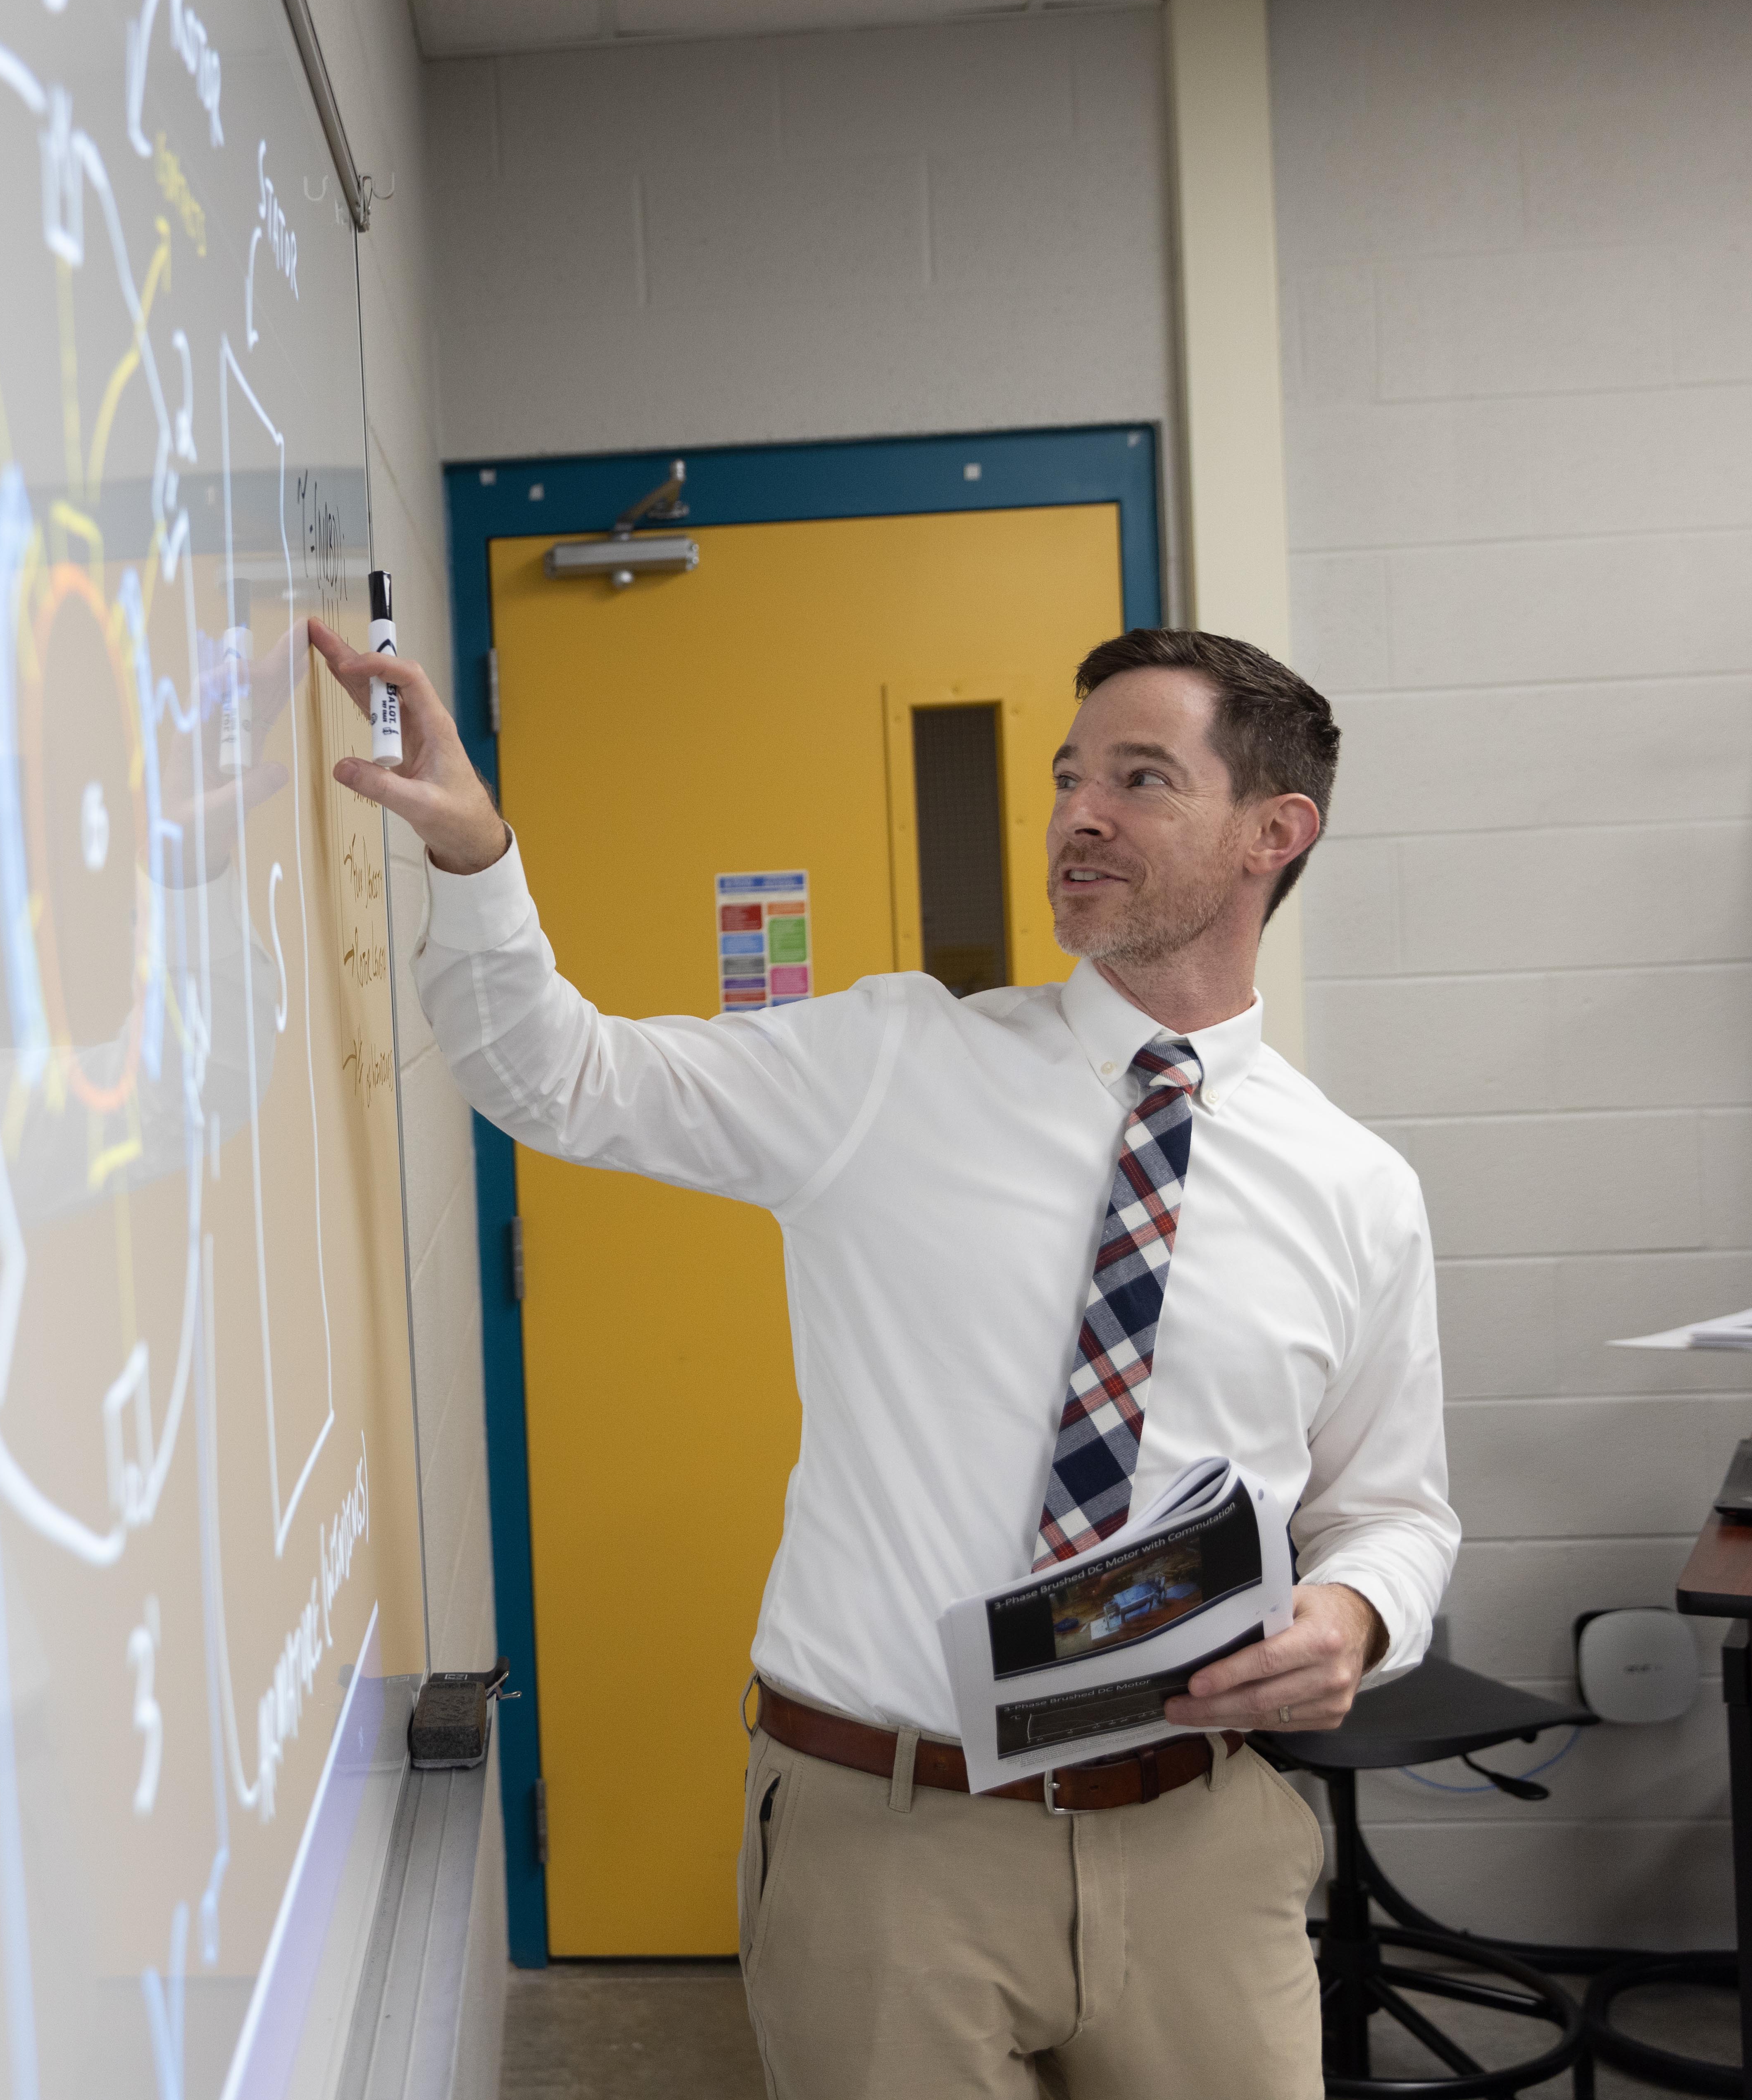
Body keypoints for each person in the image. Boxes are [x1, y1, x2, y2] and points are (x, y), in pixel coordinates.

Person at [307, 617, 1456, 2100]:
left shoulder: (1354, 1188)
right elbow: (559, 1078)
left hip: (1198, 1844)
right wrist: (476, 856)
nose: (1078, 815)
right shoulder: (894, 1065)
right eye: (1066, 776)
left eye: (1142, 778)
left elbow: (1396, 1509)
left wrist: (1357, 1616)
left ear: (1273, 833)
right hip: (891, 1834)